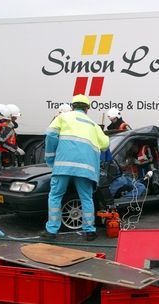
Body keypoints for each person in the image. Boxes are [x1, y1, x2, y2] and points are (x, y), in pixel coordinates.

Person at [41, 94, 109, 241]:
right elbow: (105, 144)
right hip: (86, 168)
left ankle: (51, 231)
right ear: (87, 109)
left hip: (63, 165)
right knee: (86, 198)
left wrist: (51, 158)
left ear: (72, 106)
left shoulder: (63, 117)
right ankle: (89, 231)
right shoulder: (93, 124)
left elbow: (51, 135)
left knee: (55, 196)